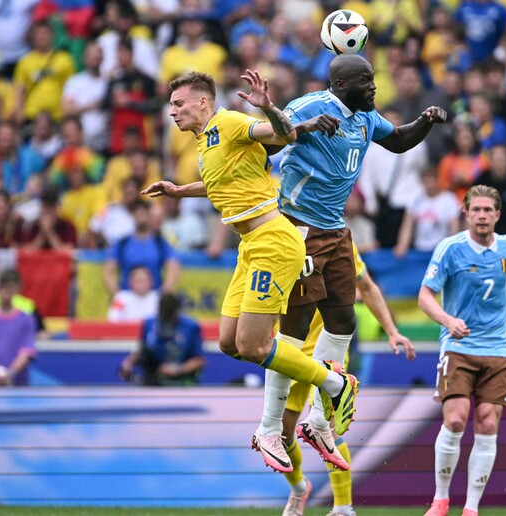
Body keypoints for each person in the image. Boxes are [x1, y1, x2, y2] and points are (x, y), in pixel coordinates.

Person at [140, 70, 358, 474]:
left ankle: (334, 385)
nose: (173, 112)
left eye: (179, 103)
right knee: (228, 343)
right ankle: (316, 393)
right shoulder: (207, 143)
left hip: (273, 241)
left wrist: (269, 107)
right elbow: (218, 184)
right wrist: (178, 190)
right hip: (249, 246)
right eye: (171, 105)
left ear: (203, 102)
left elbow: (284, 135)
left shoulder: (231, 122)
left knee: (256, 346)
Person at [273, 53, 446, 471]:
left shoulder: (366, 118)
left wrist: (425, 120)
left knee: (344, 321)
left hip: (334, 228)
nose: (374, 86)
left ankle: (319, 421)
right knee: (294, 328)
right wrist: (301, 126)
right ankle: (270, 427)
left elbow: (399, 139)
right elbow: (272, 134)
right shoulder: (311, 106)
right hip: (299, 227)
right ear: (342, 84)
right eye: (366, 80)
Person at [417, 185, 506, 516]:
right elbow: (425, 297)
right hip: (459, 345)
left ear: (497, 215)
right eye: (475, 209)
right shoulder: (450, 249)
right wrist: (448, 321)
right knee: (457, 419)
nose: (481, 215)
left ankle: (471, 508)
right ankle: (441, 498)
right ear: (466, 213)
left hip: (499, 347)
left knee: (488, 422)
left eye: (488, 210)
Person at [281, 242, 416, 516]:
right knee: (282, 436)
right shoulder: (282, 238)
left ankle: (343, 508)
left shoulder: (339, 241)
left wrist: (391, 330)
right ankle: (298, 488)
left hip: (328, 352)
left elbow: (366, 287)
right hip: (290, 349)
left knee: (328, 431)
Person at [118, 293, 204, 386]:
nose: (166, 319)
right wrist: (129, 363)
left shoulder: (191, 326)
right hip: (154, 380)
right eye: (163, 315)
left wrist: (177, 370)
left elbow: (199, 360)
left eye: (170, 315)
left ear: (176, 312)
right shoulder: (150, 324)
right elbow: (142, 351)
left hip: (182, 381)